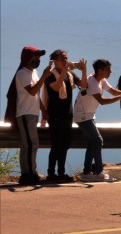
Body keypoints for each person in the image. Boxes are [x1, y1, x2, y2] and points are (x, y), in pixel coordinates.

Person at [74, 59, 121, 182]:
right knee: (98, 140)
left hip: (89, 115)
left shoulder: (102, 80)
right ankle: (98, 172)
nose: (111, 71)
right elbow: (102, 101)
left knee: (92, 142)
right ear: (100, 70)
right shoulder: (91, 82)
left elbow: (113, 91)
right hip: (82, 116)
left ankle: (87, 173)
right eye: (108, 69)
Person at [7, 46, 53, 185]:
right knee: (29, 144)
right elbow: (32, 91)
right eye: (36, 58)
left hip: (33, 113)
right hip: (25, 113)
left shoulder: (34, 72)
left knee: (32, 144)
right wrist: (45, 76)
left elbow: (37, 94)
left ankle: (31, 172)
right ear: (27, 58)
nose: (38, 60)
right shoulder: (22, 73)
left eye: (39, 58)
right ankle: (27, 174)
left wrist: (43, 110)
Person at [42, 50, 87, 183]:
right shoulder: (49, 74)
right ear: (55, 61)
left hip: (68, 116)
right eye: (62, 59)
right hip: (55, 116)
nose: (65, 61)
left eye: (66, 59)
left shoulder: (69, 74)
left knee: (65, 145)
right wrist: (63, 72)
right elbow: (55, 87)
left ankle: (61, 172)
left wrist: (83, 70)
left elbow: (83, 85)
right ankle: (51, 174)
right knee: (56, 145)